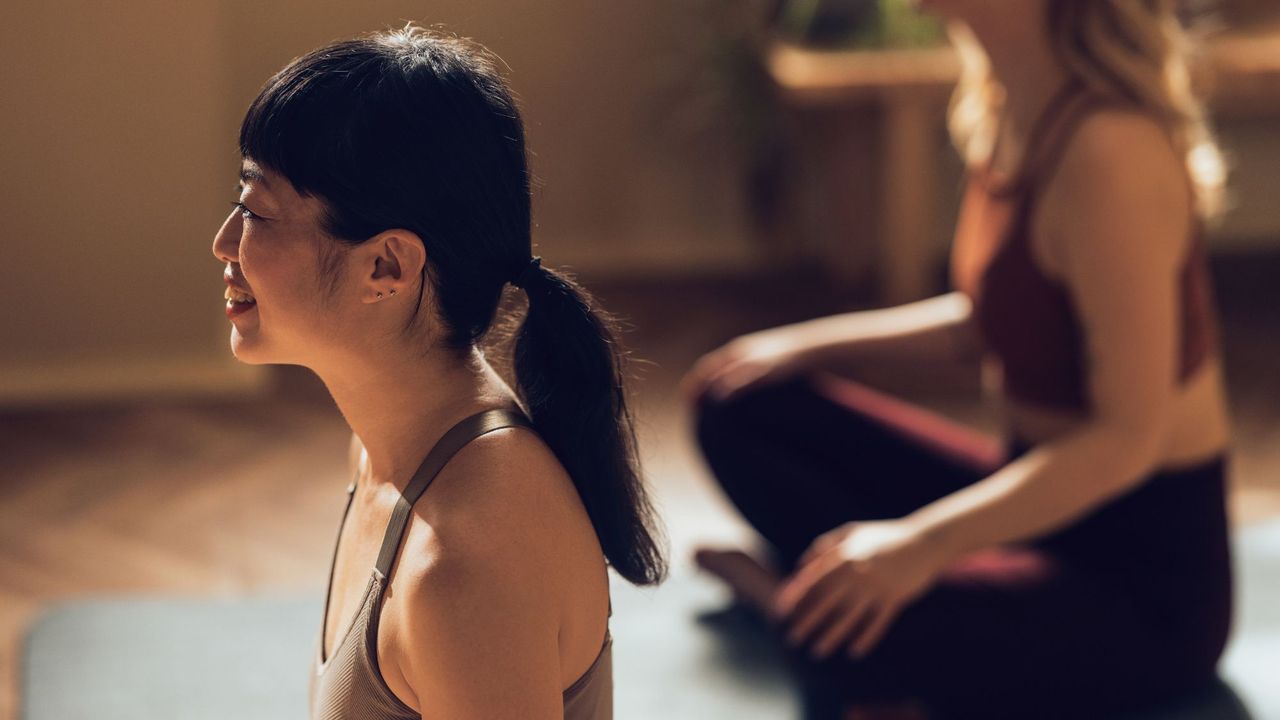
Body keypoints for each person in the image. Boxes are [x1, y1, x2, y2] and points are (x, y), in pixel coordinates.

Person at [685, 1, 1233, 717]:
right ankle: (833, 595)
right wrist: (802, 345)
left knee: (849, 633)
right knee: (734, 402)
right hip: (1034, 492)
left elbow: (1127, 440)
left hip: (1143, 584)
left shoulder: (1111, 150)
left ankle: (778, 596)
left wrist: (917, 546)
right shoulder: (1008, 98)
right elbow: (990, 321)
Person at [210, 25, 665, 720]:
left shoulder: (464, 573)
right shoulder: (385, 444)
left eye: (256, 211)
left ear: (386, 266)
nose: (224, 244)